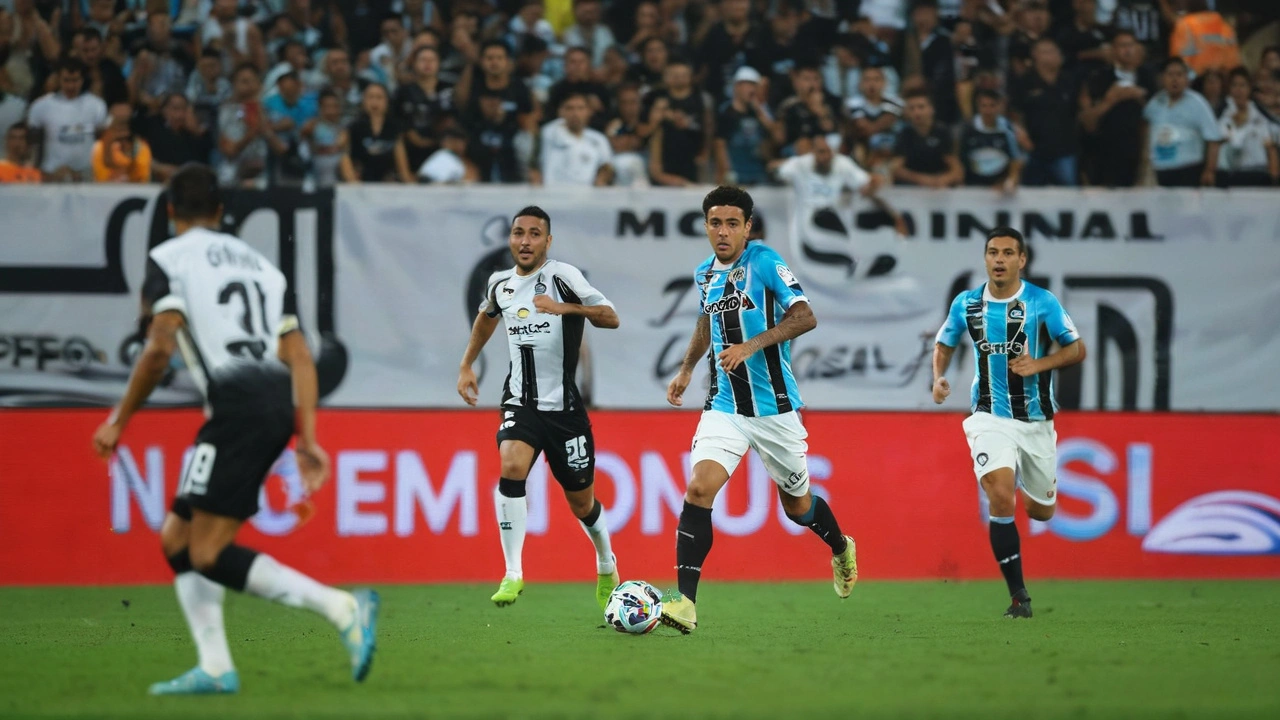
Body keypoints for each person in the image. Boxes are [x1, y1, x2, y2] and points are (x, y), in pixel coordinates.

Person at [90, 163, 379, 695]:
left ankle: (341, 607)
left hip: (237, 405)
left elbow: (158, 349)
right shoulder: (263, 268)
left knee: (206, 553)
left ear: (171, 210)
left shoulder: (168, 260)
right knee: (177, 538)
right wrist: (308, 437)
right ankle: (216, 666)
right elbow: (300, 358)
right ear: (222, 212)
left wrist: (118, 420)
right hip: (267, 403)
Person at [660, 186, 859, 634]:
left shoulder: (765, 262)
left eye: (733, 223)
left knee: (798, 507)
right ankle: (685, 604)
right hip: (725, 405)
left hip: (775, 409)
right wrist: (687, 369)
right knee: (698, 488)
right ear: (706, 226)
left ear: (748, 227)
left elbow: (805, 316)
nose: (724, 231)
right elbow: (706, 322)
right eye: (716, 223)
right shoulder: (704, 274)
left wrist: (751, 345)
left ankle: (840, 546)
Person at [456, 206, 622, 611]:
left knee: (582, 503)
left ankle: (606, 561)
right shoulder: (500, 284)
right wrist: (467, 364)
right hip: (520, 402)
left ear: (548, 241)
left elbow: (611, 317)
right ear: (510, 239)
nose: (525, 241)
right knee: (510, 466)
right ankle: (513, 572)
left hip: (565, 411)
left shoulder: (563, 277)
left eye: (534, 234)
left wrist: (567, 309)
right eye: (518, 233)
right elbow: (486, 318)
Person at [931, 226, 1086, 619]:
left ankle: (1027, 481)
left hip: (1035, 421)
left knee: (1040, 512)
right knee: (1001, 494)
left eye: (1007, 253)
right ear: (985, 259)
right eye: (992, 252)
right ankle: (1019, 596)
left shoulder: (1042, 302)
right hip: (989, 416)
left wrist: (1039, 364)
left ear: (1022, 260)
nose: (999, 260)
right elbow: (945, 343)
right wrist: (938, 377)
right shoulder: (966, 304)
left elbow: (1077, 348)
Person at [1143, 56, 1222, 187]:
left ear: (1187, 78)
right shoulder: (1154, 103)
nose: (1175, 79)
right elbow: (1144, 128)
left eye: (1179, 75)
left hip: (1189, 170)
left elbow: (1213, 139)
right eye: (1170, 75)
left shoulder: (1198, 103)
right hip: (1159, 170)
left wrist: (1210, 171)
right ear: (1162, 78)